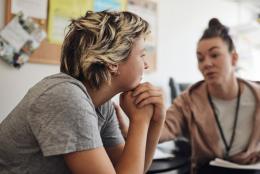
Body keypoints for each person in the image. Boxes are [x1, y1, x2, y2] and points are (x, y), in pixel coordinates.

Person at [0, 11, 165, 174]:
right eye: (142, 55)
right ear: (113, 62)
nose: (146, 65)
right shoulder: (66, 96)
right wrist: (139, 122)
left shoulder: (102, 106)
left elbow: (132, 169)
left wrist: (156, 120)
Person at [160, 18, 260, 173]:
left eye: (214, 55)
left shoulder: (257, 95)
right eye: (200, 58)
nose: (206, 64)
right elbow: (166, 127)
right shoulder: (189, 99)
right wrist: (136, 127)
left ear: (234, 58)